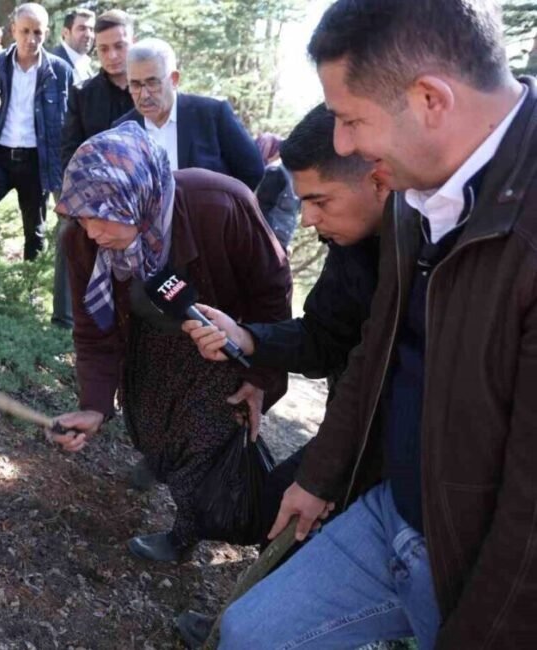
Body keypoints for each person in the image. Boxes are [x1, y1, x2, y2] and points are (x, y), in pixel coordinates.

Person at [220, 1, 537, 648]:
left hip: (470, 567)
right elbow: (374, 351)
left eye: (350, 119)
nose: (342, 145)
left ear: (429, 99)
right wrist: (320, 475)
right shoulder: (414, 193)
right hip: (390, 510)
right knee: (247, 633)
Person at [173, 104, 388, 650]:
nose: (309, 220)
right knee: (266, 508)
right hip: (352, 436)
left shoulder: (447, 246)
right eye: (303, 201)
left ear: (379, 178)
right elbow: (324, 338)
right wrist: (248, 338)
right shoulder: (353, 241)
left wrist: (326, 480)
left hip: (401, 465)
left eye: (319, 201)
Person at [47, 122, 291, 564]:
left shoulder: (220, 204)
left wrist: (261, 377)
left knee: (209, 444)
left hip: (220, 344)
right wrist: (95, 405)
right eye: (79, 215)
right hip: (148, 339)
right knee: (152, 426)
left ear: (137, 200)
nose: (89, 230)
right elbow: (93, 331)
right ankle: (162, 461)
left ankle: (194, 535)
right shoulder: (83, 240)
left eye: (101, 215)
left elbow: (271, 293)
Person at [0, 4, 72, 261]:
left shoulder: (59, 71)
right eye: (25, 31)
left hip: (36, 160)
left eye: (37, 32)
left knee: (34, 232)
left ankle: (30, 290)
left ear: (46, 33)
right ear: (13, 30)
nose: (31, 39)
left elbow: (68, 121)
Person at [52, 9, 136, 329]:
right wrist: (83, 204)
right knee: (70, 234)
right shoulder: (83, 93)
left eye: (120, 46)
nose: (112, 56)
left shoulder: (149, 88)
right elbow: (70, 152)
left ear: (133, 42)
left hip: (144, 198)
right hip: (95, 198)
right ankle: (63, 323)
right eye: (103, 49)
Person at [113, 38, 264, 190]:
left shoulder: (212, 115)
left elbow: (253, 171)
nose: (144, 94)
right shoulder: (121, 130)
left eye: (152, 83)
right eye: (135, 85)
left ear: (174, 79)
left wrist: (224, 208)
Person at [254, 132, 300, 250]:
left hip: (274, 241)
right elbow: (262, 210)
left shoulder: (284, 173)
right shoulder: (279, 172)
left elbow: (262, 210)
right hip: (270, 241)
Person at [50, 8, 95, 84]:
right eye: (82, 28)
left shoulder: (84, 62)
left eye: (91, 29)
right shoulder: (53, 65)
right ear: (66, 32)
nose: (88, 35)